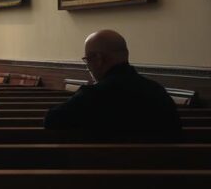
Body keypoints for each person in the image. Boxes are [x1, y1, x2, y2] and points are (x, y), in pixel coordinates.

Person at [44, 30, 180, 139]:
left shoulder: (93, 95)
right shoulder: (157, 90)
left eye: (87, 60)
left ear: (98, 59)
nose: (87, 66)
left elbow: (52, 120)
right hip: (159, 170)